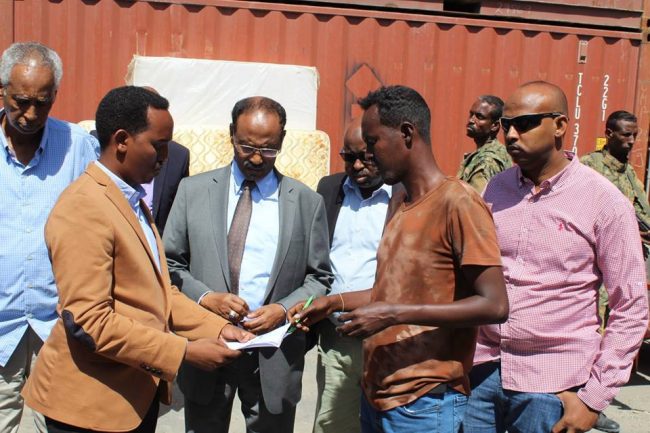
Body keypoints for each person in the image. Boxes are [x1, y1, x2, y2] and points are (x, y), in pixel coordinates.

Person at [22, 86, 252, 433]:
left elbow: (159, 293)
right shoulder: (85, 207)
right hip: (88, 408)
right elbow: (88, 320)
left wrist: (219, 329)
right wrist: (183, 352)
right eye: (159, 145)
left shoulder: (131, 201)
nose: (166, 157)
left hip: (132, 396)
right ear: (121, 140)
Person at [289, 85, 509, 433]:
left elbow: (494, 305)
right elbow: (389, 294)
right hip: (376, 396)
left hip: (424, 403)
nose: (368, 155)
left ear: (407, 133)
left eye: (373, 142)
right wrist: (333, 303)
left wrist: (393, 314)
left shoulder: (458, 202)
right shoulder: (399, 201)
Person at [462, 81, 649, 433]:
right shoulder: (497, 189)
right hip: (483, 373)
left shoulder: (603, 202)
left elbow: (631, 307)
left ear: (560, 125)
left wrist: (594, 399)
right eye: (507, 125)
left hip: (552, 385)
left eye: (525, 124)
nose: (511, 135)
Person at [163, 96, 333, 433]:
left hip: (273, 356)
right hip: (208, 346)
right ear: (231, 134)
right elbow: (169, 263)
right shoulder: (193, 191)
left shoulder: (306, 202)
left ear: (282, 140)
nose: (256, 158)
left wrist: (282, 310)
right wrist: (206, 298)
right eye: (247, 147)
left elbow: (319, 277)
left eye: (268, 149)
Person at [0, 41, 99, 433]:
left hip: (57, 326)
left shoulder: (78, 147)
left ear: (55, 94)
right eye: (20, 101)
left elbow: (99, 224)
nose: (30, 114)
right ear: (2, 91)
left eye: (42, 103)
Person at [312, 117, 392, 433]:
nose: (357, 165)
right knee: (333, 423)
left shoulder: (406, 193)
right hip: (338, 337)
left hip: (387, 337)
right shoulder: (329, 188)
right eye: (349, 156)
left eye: (366, 157)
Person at [457, 95, 511, 192]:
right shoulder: (498, 150)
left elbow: (476, 200)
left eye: (479, 117)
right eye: (471, 114)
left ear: (495, 126)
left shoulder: (486, 161)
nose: (471, 120)